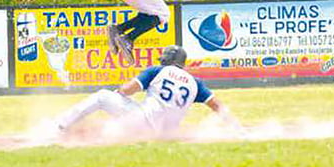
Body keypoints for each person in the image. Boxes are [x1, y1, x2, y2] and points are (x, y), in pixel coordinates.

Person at [55, 45, 242, 140]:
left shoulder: (157, 70)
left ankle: (60, 126)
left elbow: (127, 90)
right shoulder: (196, 83)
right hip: (166, 134)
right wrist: (235, 126)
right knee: (113, 130)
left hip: (143, 122)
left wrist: (118, 93)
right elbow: (217, 105)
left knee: (103, 96)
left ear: (167, 59)